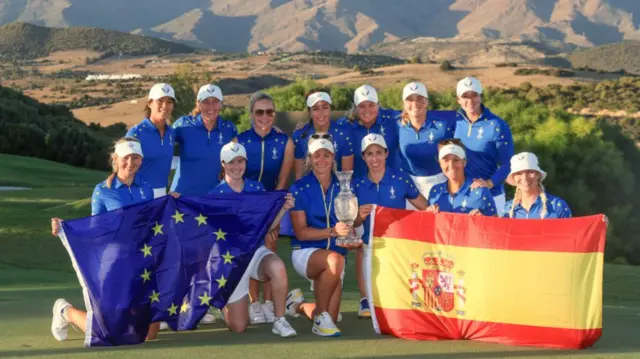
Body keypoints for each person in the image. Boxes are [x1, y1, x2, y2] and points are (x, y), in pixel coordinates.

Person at [49, 137, 162, 342]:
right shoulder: (103, 190)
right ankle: (65, 311)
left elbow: (151, 221)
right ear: (116, 159)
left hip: (140, 259)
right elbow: (94, 229)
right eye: (126, 158)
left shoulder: (146, 188)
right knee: (109, 332)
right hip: (114, 260)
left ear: (141, 160)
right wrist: (65, 227)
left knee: (148, 334)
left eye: (135, 157)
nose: (131, 162)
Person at [210, 142, 297, 338]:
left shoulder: (256, 187)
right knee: (239, 326)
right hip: (231, 261)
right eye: (231, 162)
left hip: (255, 252)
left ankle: (280, 320)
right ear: (223, 163)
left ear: (246, 163)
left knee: (277, 266)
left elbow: (268, 225)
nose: (236, 166)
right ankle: (222, 301)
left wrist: (283, 209)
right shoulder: (215, 195)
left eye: (240, 161)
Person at [286, 136, 362, 337]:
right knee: (336, 261)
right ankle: (320, 316)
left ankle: (298, 305)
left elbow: (350, 222)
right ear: (310, 159)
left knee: (333, 316)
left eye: (326, 155)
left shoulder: (345, 185)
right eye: (317, 155)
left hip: (335, 254)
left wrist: (353, 226)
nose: (322, 160)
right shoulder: (299, 187)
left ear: (333, 157)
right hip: (306, 253)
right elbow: (301, 233)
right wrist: (333, 231)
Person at [353, 134, 428, 318]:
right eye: (369, 154)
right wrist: (358, 217)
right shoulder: (356, 184)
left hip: (396, 243)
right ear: (363, 157)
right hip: (371, 243)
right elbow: (352, 222)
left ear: (386, 154)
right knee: (361, 246)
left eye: (379, 152)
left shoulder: (401, 179)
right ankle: (365, 298)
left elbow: (424, 207)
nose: (375, 158)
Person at [237, 91, 294, 324]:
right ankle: (254, 303)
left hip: (271, 205)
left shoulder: (284, 141)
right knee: (251, 251)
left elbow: (282, 180)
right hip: (246, 208)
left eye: (269, 112)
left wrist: (274, 213)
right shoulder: (240, 141)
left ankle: (269, 302)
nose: (264, 116)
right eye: (259, 112)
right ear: (251, 114)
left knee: (270, 248)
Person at [454, 76, 514, 216]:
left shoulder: (497, 125)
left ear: (481, 96)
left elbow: (508, 164)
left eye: (474, 95)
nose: (470, 101)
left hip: (492, 195)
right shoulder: (454, 121)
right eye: (465, 96)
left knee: (493, 237)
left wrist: (489, 183)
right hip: (461, 195)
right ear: (458, 100)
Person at [397, 81, 456, 208]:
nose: (415, 103)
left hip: (439, 183)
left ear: (427, 101)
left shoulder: (443, 124)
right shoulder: (397, 126)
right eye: (410, 100)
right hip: (409, 187)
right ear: (404, 104)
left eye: (420, 98)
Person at [171, 84, 238, 196]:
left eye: (215, 101)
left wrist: (270, 129)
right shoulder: (183, 125)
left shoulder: (229, 129)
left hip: (216, 196)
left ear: (221, 104)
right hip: (182, 195)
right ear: (198, 103)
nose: (210, 107)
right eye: (206, 101)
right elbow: (161, 140)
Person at [337, 84, 401, 179]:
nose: (367, 110)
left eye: (371, 105)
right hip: (358, 185)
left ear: (378, 105)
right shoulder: (344, 126)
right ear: (355, 107)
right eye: (362, 106)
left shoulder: (392, 119)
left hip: (391, 183)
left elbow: (412, 115)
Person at [126, 83, 177, 199]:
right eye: (160, 101)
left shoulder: (171, 133)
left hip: (162, 195)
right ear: (150, 103)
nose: (165, 105)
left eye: (169, 101)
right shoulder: (136, 133)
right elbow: (122, 168)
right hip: (138, 196)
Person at [292, 89, 354, 180]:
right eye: (316, 109)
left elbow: (346, 176)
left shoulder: (344, 134)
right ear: (309, 112)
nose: (321, 113)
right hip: (309, 190)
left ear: (330, 108)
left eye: (325, 107)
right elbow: (299, 176)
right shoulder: (300, 135)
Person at [426, 139, 497, 216]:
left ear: (464, 162)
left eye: (456, 160)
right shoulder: (435, 192)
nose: (451, 165)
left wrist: (483, 221)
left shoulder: (480, 192)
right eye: (446, 160)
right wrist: (428, 216)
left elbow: (496, 225)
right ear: (440, 164)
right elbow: (429, 226)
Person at [503, 152, 572, 219]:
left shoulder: (556, 206)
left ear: (538, 175)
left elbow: (572, 230)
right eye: (518, 173)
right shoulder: (507, 209)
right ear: (514, 178)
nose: (525, 178)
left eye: (530, 172)